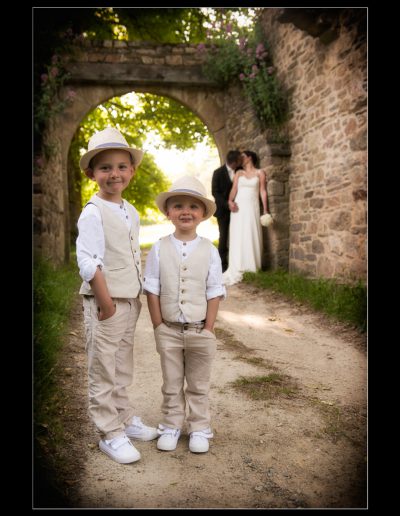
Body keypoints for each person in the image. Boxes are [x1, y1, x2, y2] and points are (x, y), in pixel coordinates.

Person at [76, 127, 158, 464]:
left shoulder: (131, 210)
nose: (115, 173)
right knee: (103, 368)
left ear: (132, 171)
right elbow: (88, 260)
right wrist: (106, 302)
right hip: (105, 304)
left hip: (129, 301)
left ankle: (125, 418)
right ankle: (110, 432)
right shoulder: (93, 211)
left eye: (122, 166)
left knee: (123, 364)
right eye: (105, 167)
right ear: (91, 173)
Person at [143, 176, 226, 454]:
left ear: (202, 214)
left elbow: (214, 290)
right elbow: (152, 288)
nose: (185, 211)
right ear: (168, 213)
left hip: (199, 328)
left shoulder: (210, 250)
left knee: (198, 384)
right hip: (168, 328)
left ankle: (199, 427)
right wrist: (158, 326)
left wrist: (209, 328)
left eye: (193, 206)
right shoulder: (159, 247)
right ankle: (171, 425)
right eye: (178, 206)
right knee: (171, 381)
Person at [222, 150, 269, 286]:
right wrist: (230, 201)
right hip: (238, 208)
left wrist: (265, 210)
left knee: (251, 233)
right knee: (238, 235)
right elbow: (234, 189)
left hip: (252, 207)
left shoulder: (260, 173)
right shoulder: (239, 173)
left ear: (249, 157)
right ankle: (237, 266)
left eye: (242, 156)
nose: (240, 158)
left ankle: (251, 266)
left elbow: (263, 191)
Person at [211, 150, 243, 272]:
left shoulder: (241, 171)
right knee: (223, 238)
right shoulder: (218, 173)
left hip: (239, 210)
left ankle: (238, 263)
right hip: (223, 211)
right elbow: (215, 192)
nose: (240, 162)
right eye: (238, 161)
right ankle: (223, 266)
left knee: (238, 236)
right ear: (233, 162)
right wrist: (227, 204)